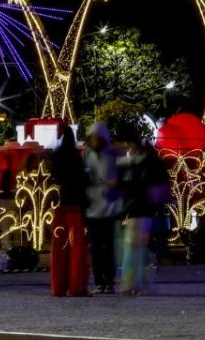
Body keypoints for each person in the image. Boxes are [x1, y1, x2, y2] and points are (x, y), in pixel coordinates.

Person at [117, 137, 169, 295]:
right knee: (140, 246)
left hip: (137, 209)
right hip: (145, 210)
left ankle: (131, 283)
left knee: (133, 247)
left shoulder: (137, 165)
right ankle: (139, 283)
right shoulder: (150, 163)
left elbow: (128, 186)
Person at [49, 124, 89, 297]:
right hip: (75, 205)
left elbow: (54, 177)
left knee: (60, 247)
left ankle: (59, 286)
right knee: (77, 247)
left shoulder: (56, 156)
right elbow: (82, 180)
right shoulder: (76, 156)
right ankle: (76, 286)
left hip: (61, 205)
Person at [84, 122, 122, 294]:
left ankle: (109, 281)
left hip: (109, 208)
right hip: (92, 208)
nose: (96, 141)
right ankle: (99, 281)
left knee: (108, 247)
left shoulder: (112, 154)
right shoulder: (86, 155)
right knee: (96, 248)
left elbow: (120, 179)